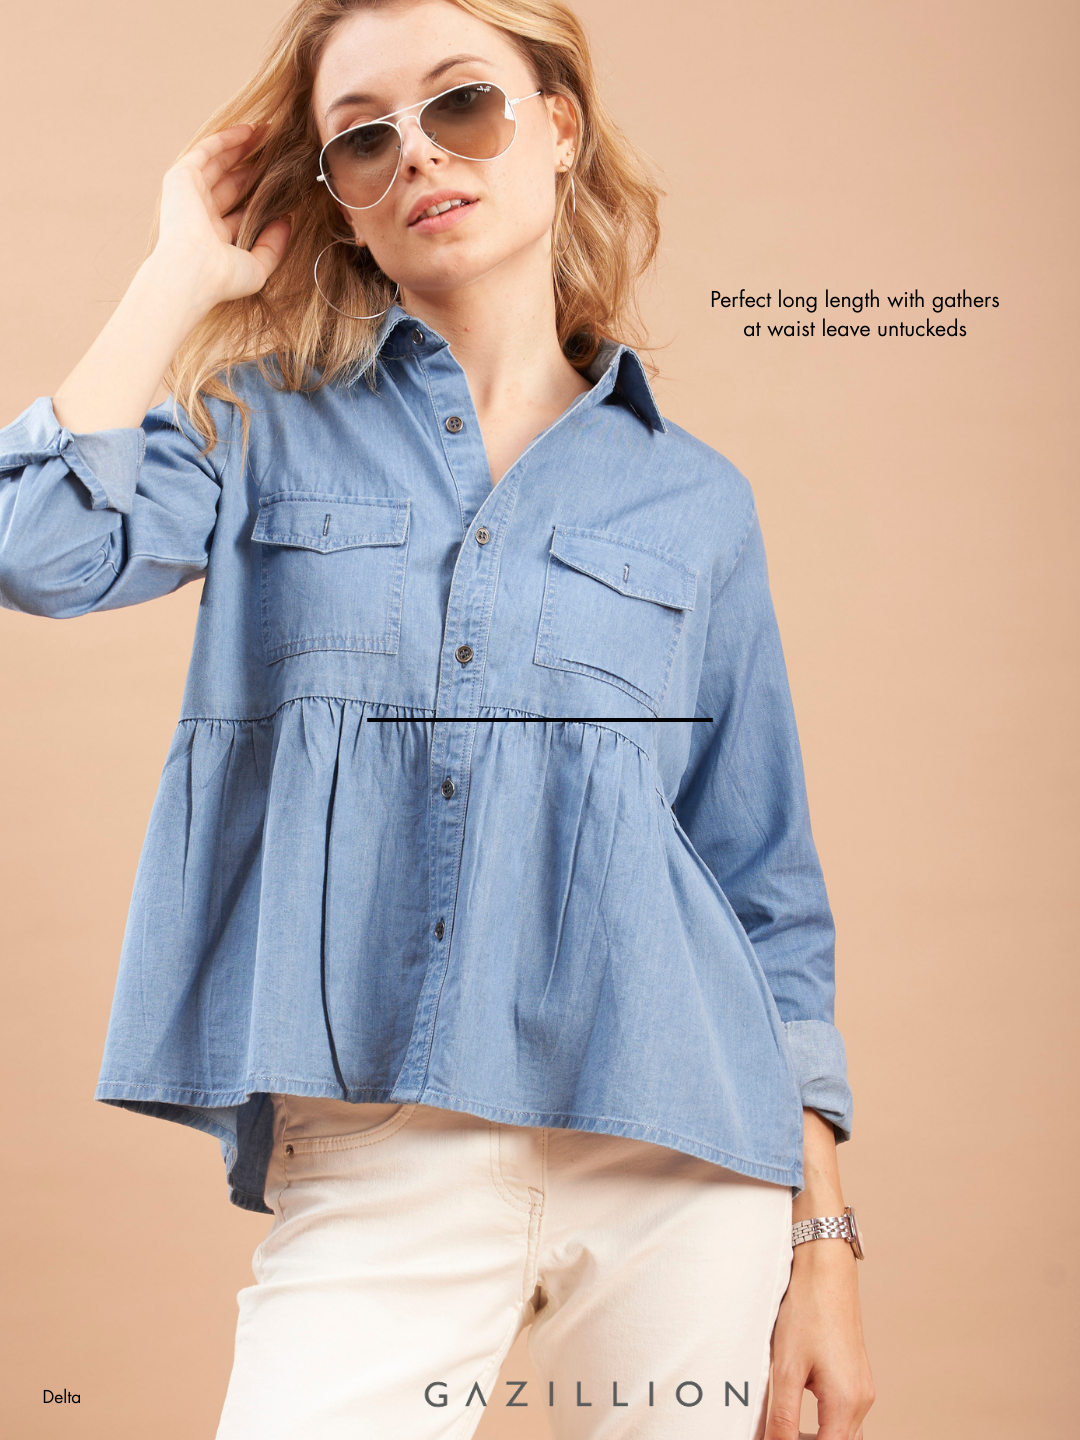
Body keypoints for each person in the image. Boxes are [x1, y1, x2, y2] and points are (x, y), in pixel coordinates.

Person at [0, 0, 875, 1435]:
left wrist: (822, 1245)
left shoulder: (697, 500)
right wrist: (176, 272)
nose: (419, 155)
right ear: (336, 197)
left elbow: (762, 887)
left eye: (461, 104)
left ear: (560, 126)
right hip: (386, 1138)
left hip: (680, 1149)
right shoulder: (254, 427)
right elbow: (34, 546)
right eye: (363, 137)